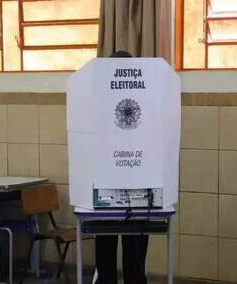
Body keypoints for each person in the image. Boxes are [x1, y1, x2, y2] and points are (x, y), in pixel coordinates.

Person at [94, 50, 149, 284]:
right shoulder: (100, 103)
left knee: (130, 256)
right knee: (114, 254)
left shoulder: (143, 104)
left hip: (130, 189)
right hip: (115, 189)